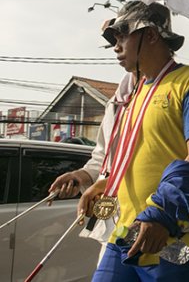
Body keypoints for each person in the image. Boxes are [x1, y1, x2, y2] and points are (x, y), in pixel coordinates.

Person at [77, 0, 189, 281]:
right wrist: (104, 183)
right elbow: (140, 157)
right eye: (113, 39)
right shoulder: (130, 97)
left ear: (152, 35)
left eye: (122, 36)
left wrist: (162, 214)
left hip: (175, 231)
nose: (116, 46)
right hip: (126, 230)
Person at [49, 72, 135, 246]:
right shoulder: (116, 102)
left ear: (152, 42)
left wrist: (106, 184)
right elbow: (102, 157)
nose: (117, 48)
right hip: (115, 226)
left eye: (123, 42)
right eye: (115, 42)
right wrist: (80, 176)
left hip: (152, 222)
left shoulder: (173, 93)